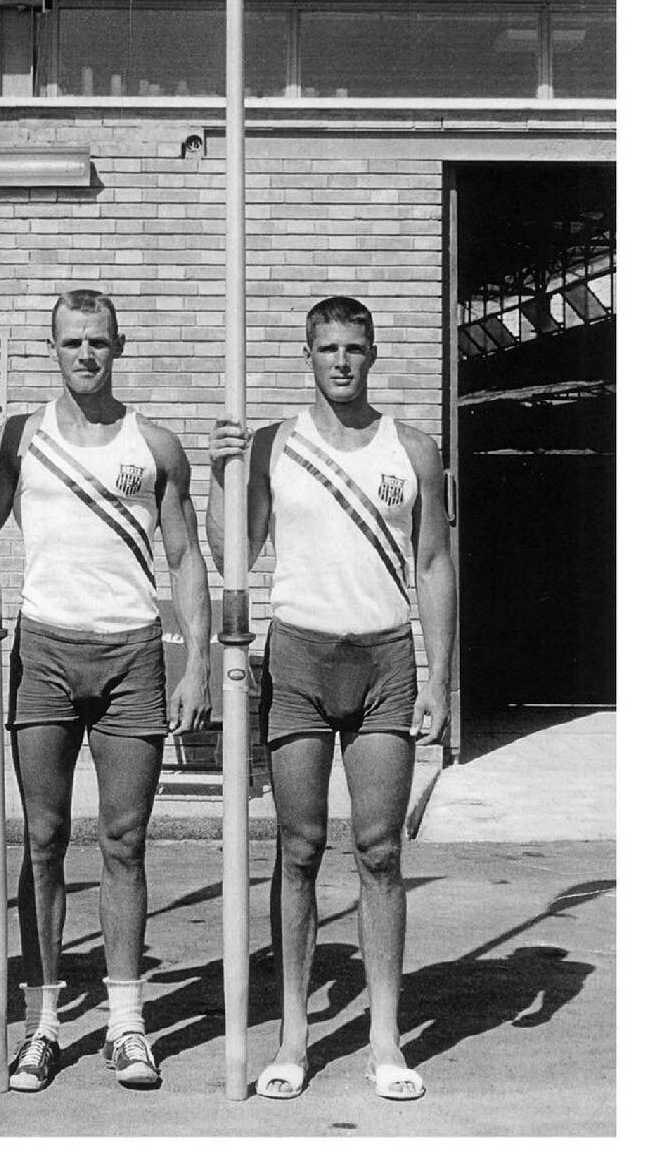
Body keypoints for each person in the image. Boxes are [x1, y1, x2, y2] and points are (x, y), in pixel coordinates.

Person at [0, 288, 212, 1093]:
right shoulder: (19, 439)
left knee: (126, 841)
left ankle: (129, 1024)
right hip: (46, 651)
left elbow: (187, 557)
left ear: (118, 345)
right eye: (71, 343)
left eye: (98, 342)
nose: (86, 355)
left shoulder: (156, 445)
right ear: (51, 349)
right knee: (45, 839)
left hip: (131, 651)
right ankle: (44, 1023)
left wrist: (196, 660)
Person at [207, 294, 457, 1103]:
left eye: (354, 348)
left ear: (374, 353)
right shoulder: (277, 445)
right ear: (307, 355)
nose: (341, 361)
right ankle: (292, 1037)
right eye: (326, 349)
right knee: (300, 848)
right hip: (301, 659)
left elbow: (435, 566)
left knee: (380, 852)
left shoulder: (411, 449)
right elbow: (232, 550)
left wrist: (441, 679)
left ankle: (387, 1038)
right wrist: (221, 475)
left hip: (384, 658)